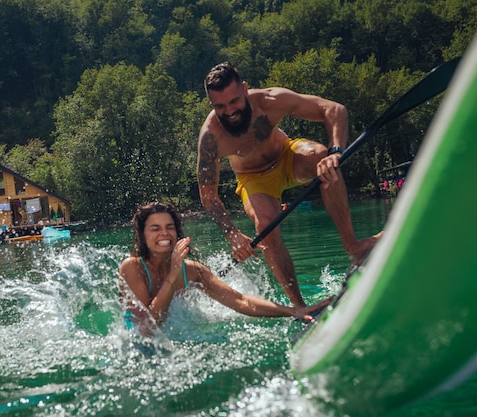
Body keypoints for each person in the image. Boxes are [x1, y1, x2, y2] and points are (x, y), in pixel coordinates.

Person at [197, 61, 381, 307]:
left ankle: (354, 247)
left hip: (287, 156)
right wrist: (232, 234)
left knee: (321, 157)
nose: (229, 111)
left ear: (245, 89)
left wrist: (336, 152)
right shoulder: (211, 137)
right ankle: (300, 306)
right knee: (266, 228)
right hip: (253, 178)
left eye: (234, 102)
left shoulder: (270, 101)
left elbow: (334, 110)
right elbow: (208, 195)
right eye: (220, 106)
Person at [118, 202, 331, 335]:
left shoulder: (193, 271)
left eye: (169, 227)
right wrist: (173, 274)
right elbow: (147, 328)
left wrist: (293, 311)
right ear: (142, 236)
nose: (164, 234)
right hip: (138, 347)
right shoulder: (132, 268)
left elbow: (241, 300)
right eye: (155, 229)